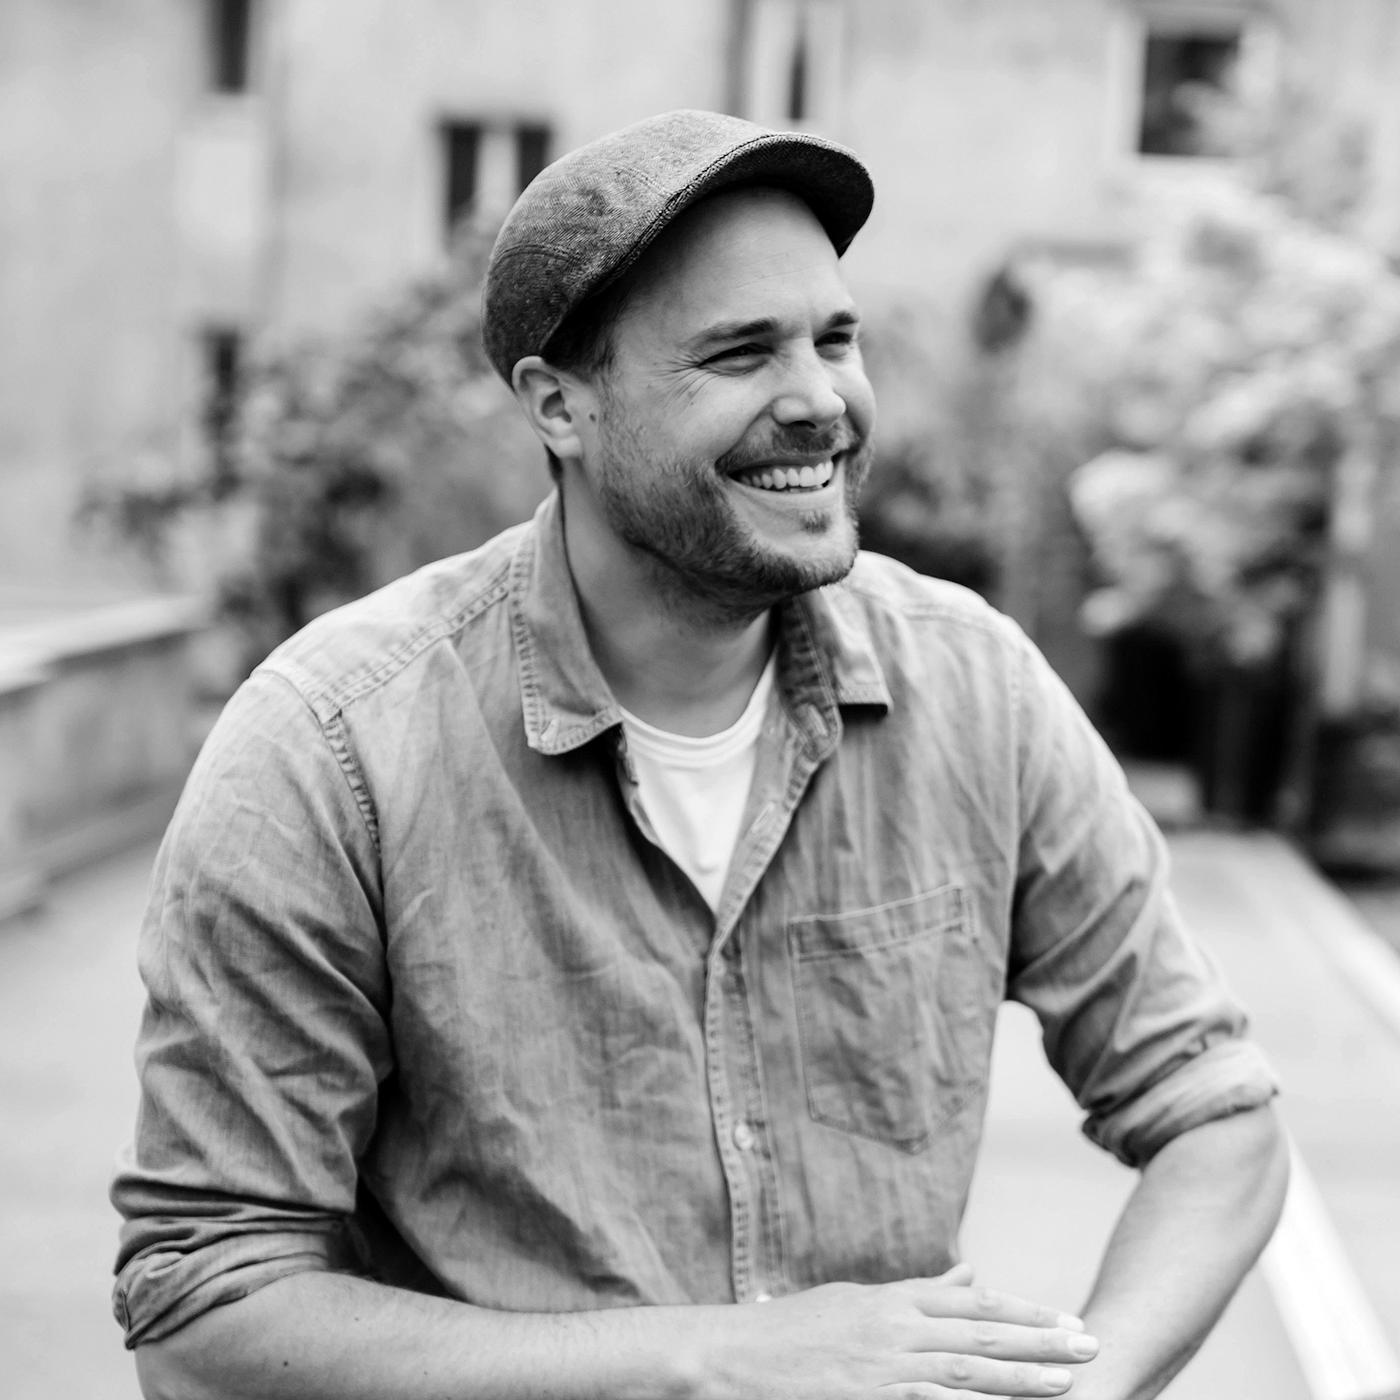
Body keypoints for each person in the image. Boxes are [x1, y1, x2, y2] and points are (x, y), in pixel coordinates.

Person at [113, 109, 1287, 1400]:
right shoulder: (331, 752)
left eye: (835, 339)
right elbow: (202, 1311)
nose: (820, 401)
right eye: (739, 352)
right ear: (560, 404)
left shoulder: (977, 692)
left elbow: (1217, 1112)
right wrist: (716, 1362)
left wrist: (1086, 1386)